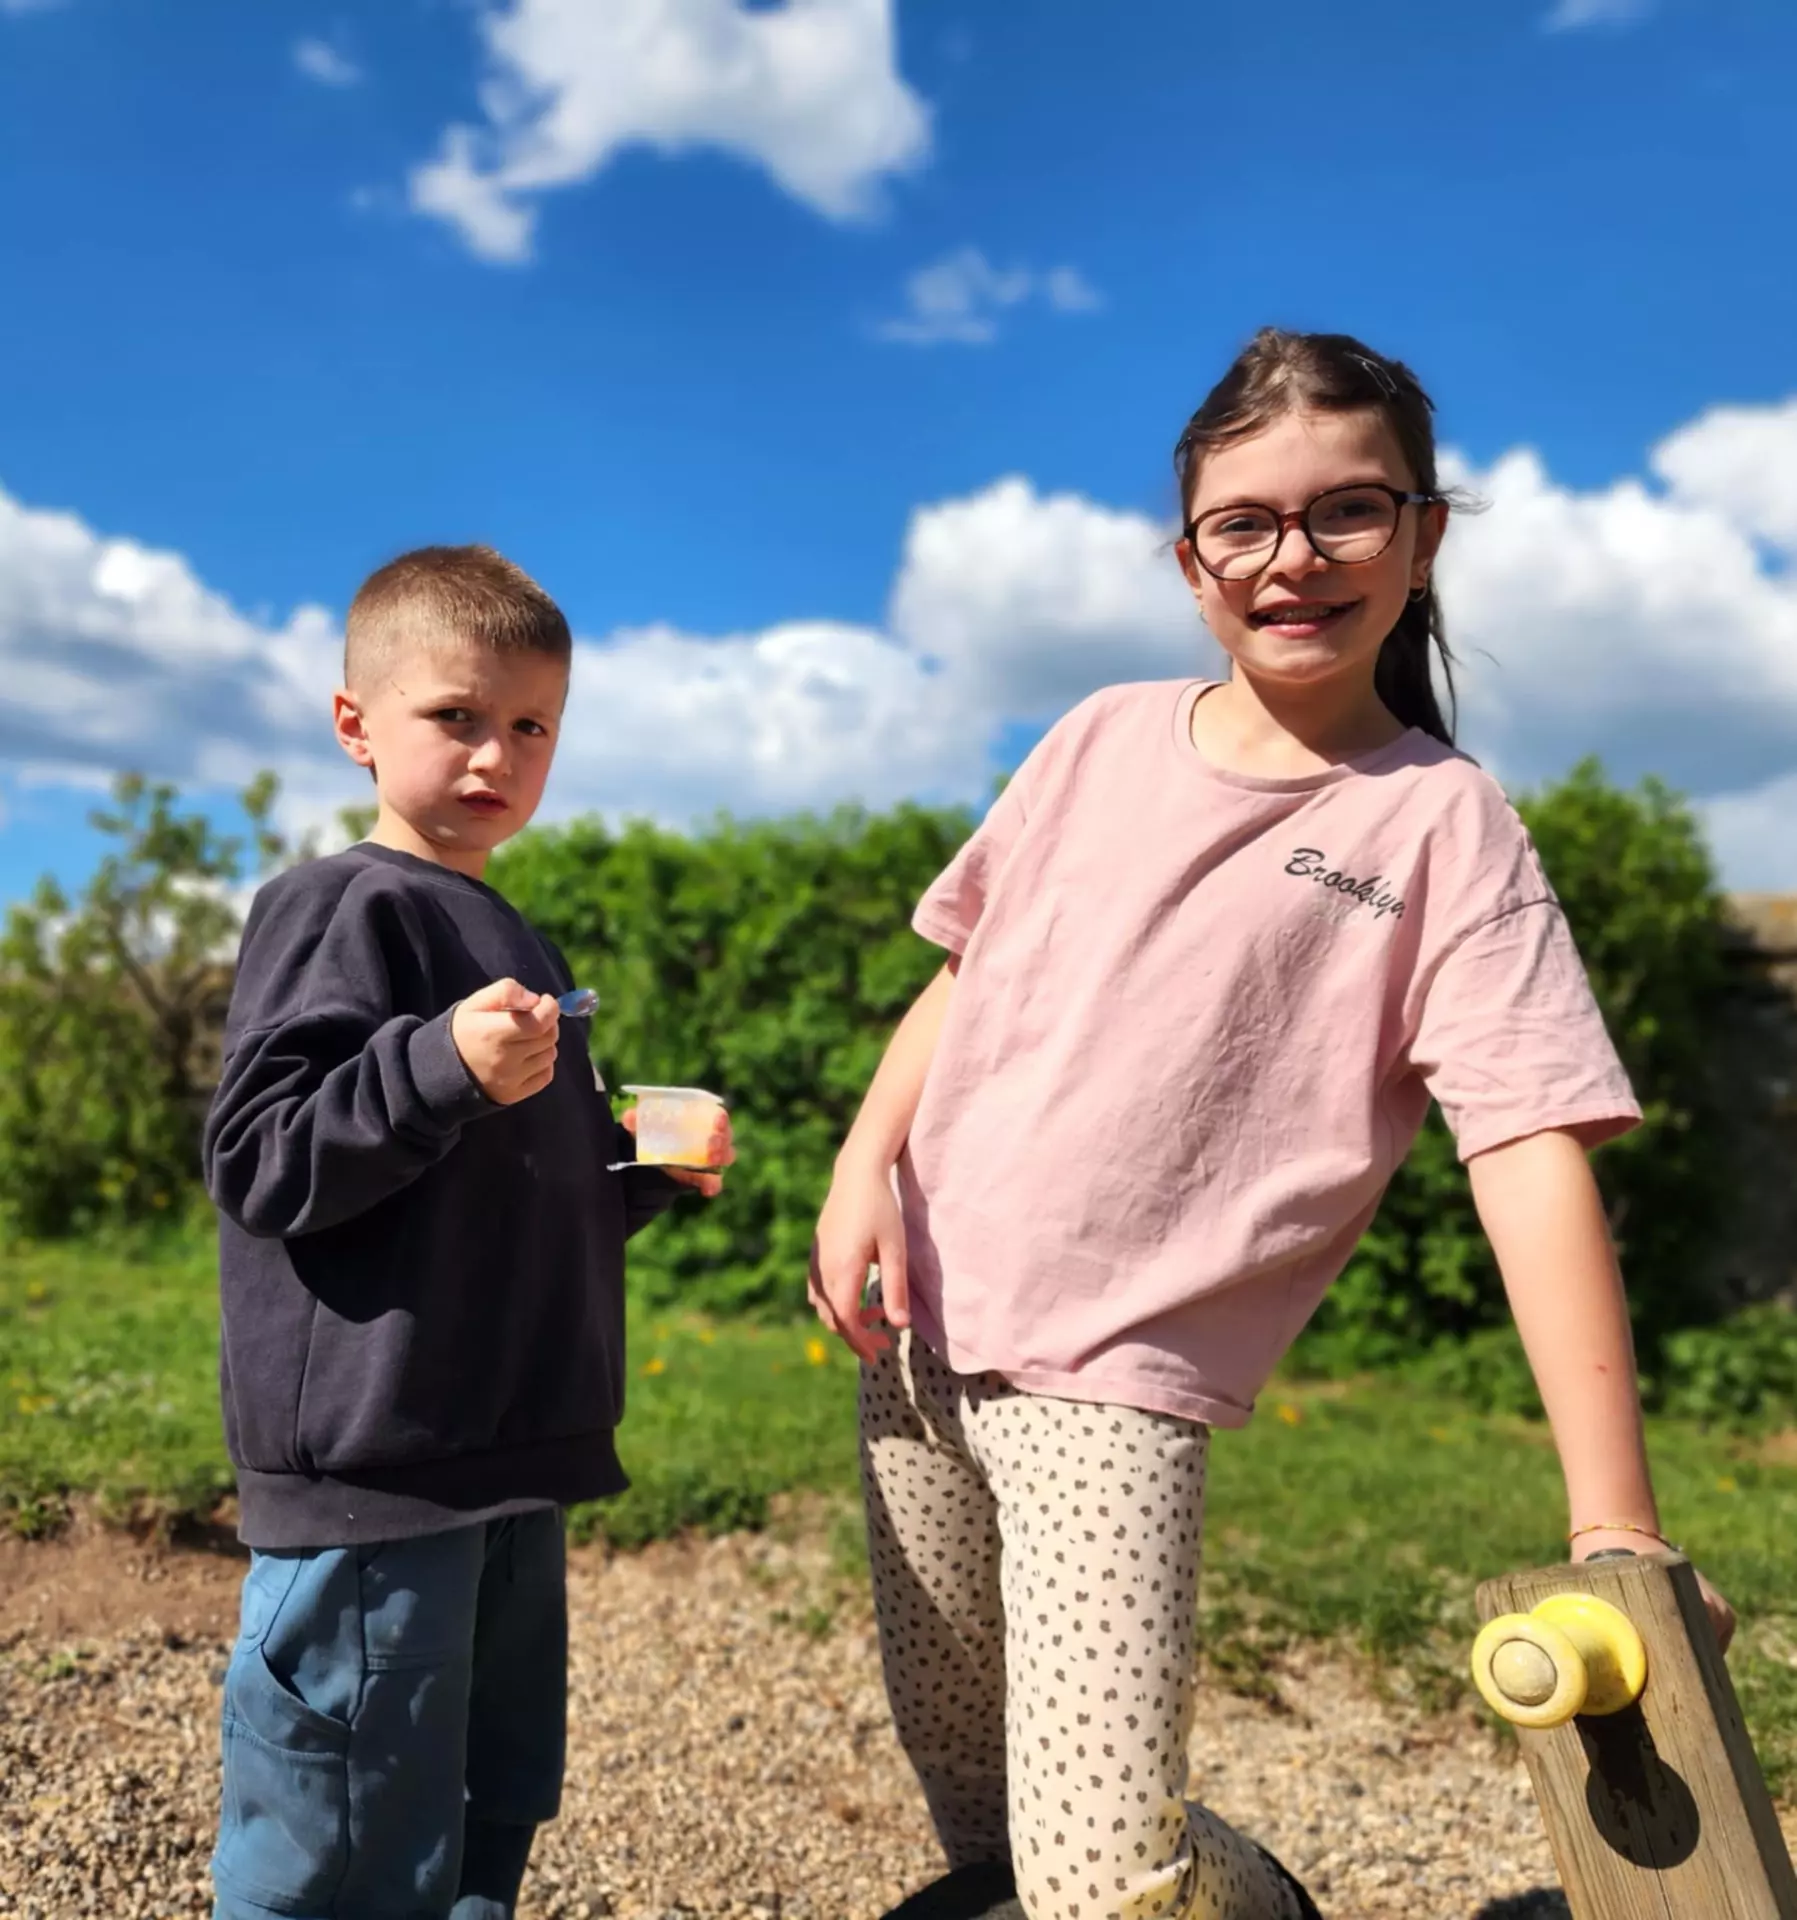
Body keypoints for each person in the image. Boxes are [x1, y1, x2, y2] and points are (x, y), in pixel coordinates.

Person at [810, 329, 1736, 1920]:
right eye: (1246, 522)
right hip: (917, 1345)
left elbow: (1526, 1150)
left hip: (1116, 1391)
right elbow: (969, 972)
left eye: (1347, 512)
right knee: (979, 1817)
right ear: (1191, 560)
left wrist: (1617, 1531)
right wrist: (860, 1169)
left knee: (1104, 1876)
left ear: (1426, 533)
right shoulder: (1096, 737)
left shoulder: (1443, 827)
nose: (1292, 558)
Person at [202, 545, 732, 1920]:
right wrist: (435, 1065)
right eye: (457, 716)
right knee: (345, 1834)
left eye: (531, 726)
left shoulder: (516, 938)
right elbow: (263, 1161)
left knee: (483, 1811)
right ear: (356, 725)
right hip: (383, 1476)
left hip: (508, 1462)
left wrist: (642, 1173)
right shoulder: (342, 906)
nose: (496, 753)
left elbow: (494, 1201)